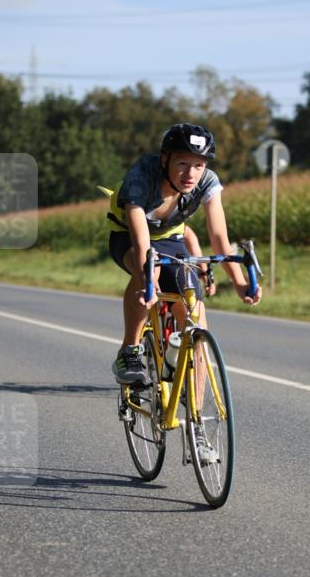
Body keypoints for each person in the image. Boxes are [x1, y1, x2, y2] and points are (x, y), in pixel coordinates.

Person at [107, 122, 262, 387]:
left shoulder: (208, 182)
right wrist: (148, 282)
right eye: (182, 164)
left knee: (194, 312)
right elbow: (142, 239)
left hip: (171, 238)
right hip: (129, 236)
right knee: (150, 271)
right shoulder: (142, 176)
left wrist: (239, 283)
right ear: (165, 159)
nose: (191, 174)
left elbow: (219, 237)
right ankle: (130, 351)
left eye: (199, 165)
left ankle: (196, 417)